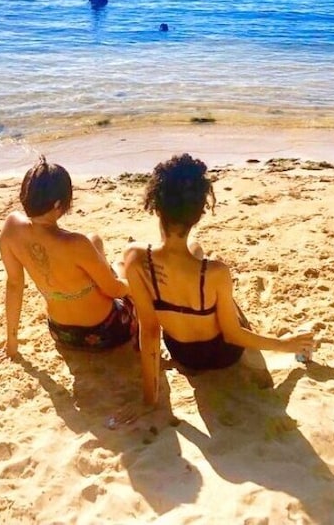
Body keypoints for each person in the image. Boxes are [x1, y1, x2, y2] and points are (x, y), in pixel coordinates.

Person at [122, 153, 315, 408]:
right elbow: (233, 335)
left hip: (184, 354)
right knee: (216, 286)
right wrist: (285, 344)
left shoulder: (135, 258)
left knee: (196, 249)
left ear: (156, 206)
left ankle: (189, 263)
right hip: (224, 355)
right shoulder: (216, 273)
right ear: (199, 213)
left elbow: (149, 332)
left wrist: (149, 399)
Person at [0, 157, 136, 358]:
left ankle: (109, 269)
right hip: (105, 332)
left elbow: (14, 285)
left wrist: (12, 343)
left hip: (61, 333)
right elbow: (113, 290)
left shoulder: (11, 228)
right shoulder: (76, 243)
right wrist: (132, 285)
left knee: (95, 240)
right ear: (58, 204)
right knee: (123, 266)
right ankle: (117, 268)